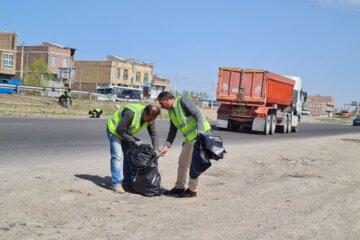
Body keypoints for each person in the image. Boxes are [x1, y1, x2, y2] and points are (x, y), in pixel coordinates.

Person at [157, 91, 211, 198]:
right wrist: (167, 145)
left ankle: (192, 190)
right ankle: (179, 187)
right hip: (189, 139)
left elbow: (197, 115)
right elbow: (172, 130)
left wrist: (200, 132)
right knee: (182, 162)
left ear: (167, 100)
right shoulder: (171, 111)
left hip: (198, 136)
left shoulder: (182, 100)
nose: (161, 106)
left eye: (161, 103)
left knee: (194, 164)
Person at [107, 103, 161, 194]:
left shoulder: (151, 118)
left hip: (126, 132)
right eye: (149, 119)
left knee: (129, 156)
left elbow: (153, 134)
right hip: (114, 130)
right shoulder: (131, 114)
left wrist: (156, 149)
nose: (150, 121)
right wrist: (134, 140)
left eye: (153, 119)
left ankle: (127, 183)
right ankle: (116, 183)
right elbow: (119, 130)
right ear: (145, 113)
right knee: (117, 156)